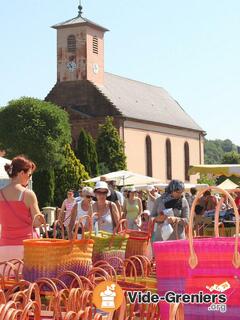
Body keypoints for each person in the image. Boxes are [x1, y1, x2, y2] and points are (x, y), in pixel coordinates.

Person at [0, 156, 43, 261]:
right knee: (29, 277)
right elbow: (37, 222)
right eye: (29, 174)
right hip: (26, 247)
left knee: (7, 277)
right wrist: (41, 217)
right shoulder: (28, 194)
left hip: (5, 246)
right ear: (21, 173)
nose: (29, 177)